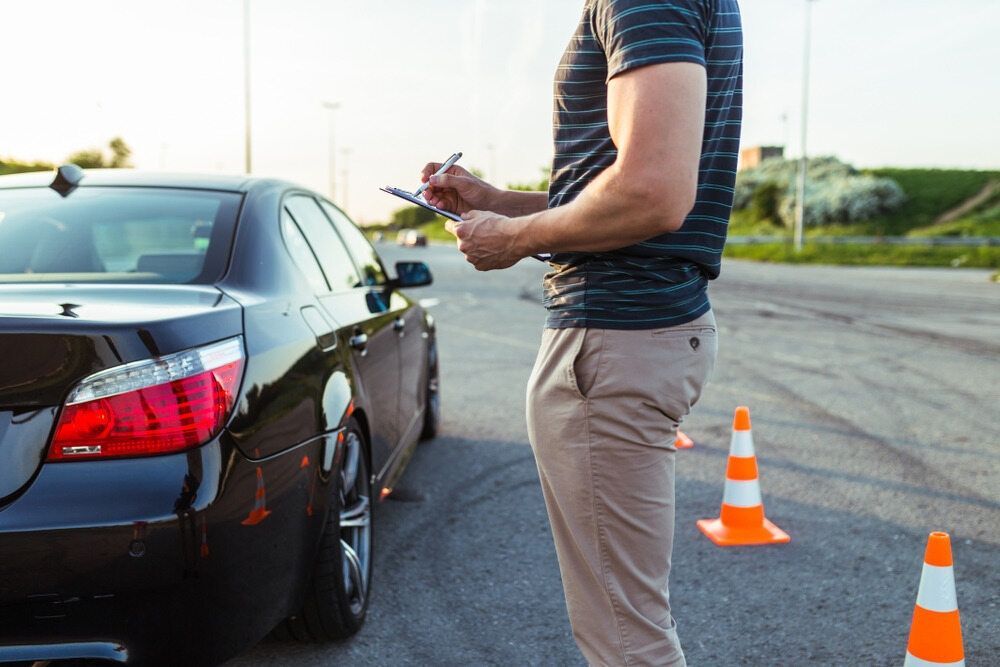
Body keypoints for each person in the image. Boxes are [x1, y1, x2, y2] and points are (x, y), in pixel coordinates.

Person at [420, 1, 742, 664]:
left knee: (625, 638)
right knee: (626, 625)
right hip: (633, 336)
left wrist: (511, 238)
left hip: (614, 337)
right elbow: (623, 181)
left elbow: (653, 191)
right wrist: (496, 202)